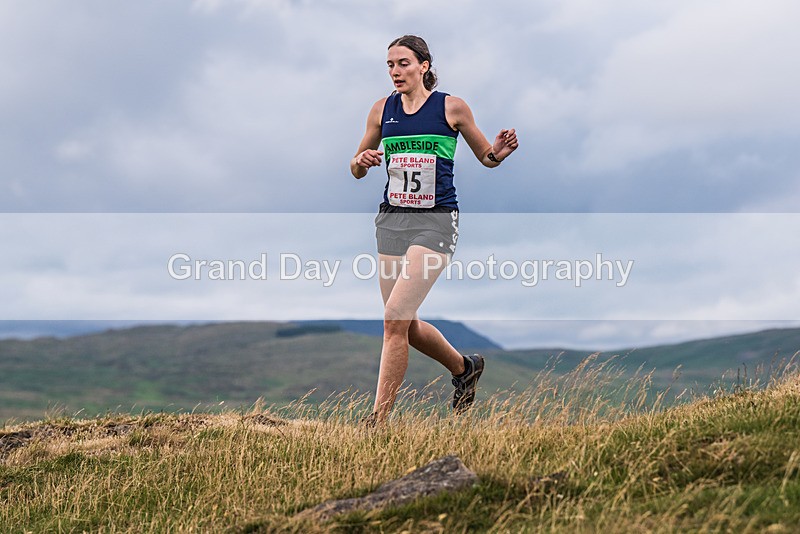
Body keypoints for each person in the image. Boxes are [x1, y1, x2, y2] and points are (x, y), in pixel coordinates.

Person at [350, 35, 518, 424]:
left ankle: (377, 422)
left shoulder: (451, 107)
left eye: (404, 63)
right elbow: (355, 168)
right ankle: (464, 368)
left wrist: (497, 153)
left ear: (424, 65)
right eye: (390, 65)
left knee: (393, 317)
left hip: (437, 220)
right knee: (404, 325)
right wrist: (362, 160)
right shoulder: (381, 110)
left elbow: (486, 158)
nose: (395, 71)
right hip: (392, 221)